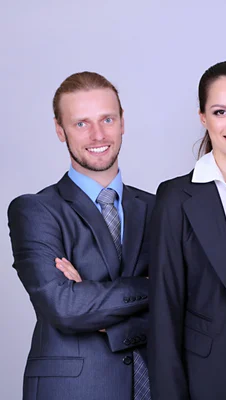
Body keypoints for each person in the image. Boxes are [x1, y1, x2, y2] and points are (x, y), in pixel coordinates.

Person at [7, 71, 154, 400]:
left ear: (122, 122)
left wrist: (93, 298)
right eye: (81, 123)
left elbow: (187, 308)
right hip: (73, 390)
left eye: (107, 119)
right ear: (60, 130)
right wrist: (157, 285)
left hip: (156, 386)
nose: (98, 134)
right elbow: (65, 307)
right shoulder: (35, 211)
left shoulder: (161, 208)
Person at [148, 60, 226, 399]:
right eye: (220, 112)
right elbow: (164, 318)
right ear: (202, 117)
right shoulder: (177, 199)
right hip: (212, 383)